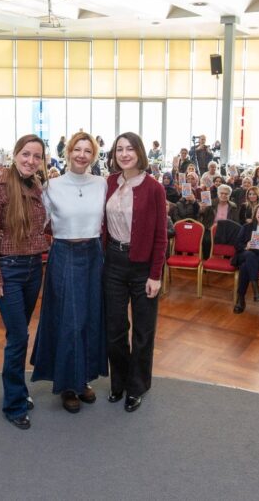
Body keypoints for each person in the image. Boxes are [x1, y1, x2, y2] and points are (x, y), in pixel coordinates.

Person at [32, 131, 107, 413]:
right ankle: (67, 384)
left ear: (94, 156)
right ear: (68, 152)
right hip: (63, 255)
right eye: (77, 149)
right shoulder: (51, 185)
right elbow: (38, 224)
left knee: (90, 318)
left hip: (93, 255)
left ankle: (84, 379)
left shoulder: (101, 184)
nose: (82, 155)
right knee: (69, 321)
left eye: (88, 151)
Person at [0, 134, 50, 430]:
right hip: (8, 271)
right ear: (15, 154)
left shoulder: (35, 185)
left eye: (37, 156)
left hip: (34, 268)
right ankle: (13, 404)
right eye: (26, 154)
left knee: (18, 335)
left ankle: (18, 392)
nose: (30, 161)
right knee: (19, 337)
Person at [103, 132, 167, 413]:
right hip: (113, 263)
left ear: (140, 152)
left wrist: (156, 275)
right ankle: (119, 382)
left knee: (143, 331)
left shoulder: (154, 188)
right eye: (119, 149)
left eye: (130, 149)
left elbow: (160, 236)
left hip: (143, 268)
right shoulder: (108, 183)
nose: (124, 154)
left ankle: (137, 386)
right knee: (115, 330)